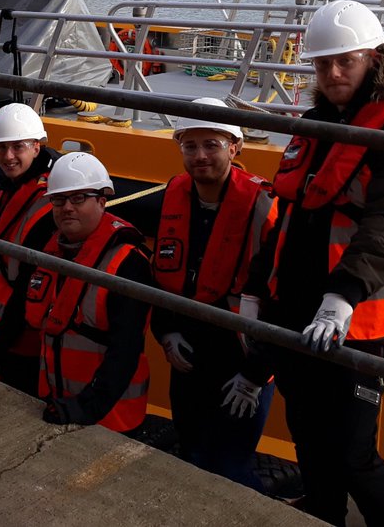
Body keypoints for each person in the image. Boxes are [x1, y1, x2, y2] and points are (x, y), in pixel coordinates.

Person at [243, 0, 384, 527]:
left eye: (344, 61)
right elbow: (288, 216)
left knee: (354, 451)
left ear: (374, 59)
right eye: (321, 63)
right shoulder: (316, 122)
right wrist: (255, 289)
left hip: (356, 320)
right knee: (306, 427)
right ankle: (322, 510)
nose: (331, 74)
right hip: (296, 308)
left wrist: (342, 296)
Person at [150, 98, 277, 490]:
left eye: (212, 144)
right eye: (191, 146)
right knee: (191, 455)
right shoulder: (175, 194)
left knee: (230, 469)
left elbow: (281, 298)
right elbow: (163, 275)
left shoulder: (263, 207)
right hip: (188, 356)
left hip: (240, 362)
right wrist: (165, 332)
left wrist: (254, 376)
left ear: (235, 147)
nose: (200, 155)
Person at [26, 152, 152, 437]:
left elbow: (125, 350)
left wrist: (87, 408)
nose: (67, 208)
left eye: (79, 198)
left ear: (102, 201)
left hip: (109, 418)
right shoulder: (53, 252)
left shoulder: (129, 263)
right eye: (59, 200)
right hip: (56, 404)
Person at [0, 103, 59, 395]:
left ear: (37, 147)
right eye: (1, 148)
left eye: (17, 147)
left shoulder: (49, 202)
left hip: (26, 337)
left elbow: (28, 286)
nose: (7, 156)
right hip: (5, 329)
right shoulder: (14, 184)